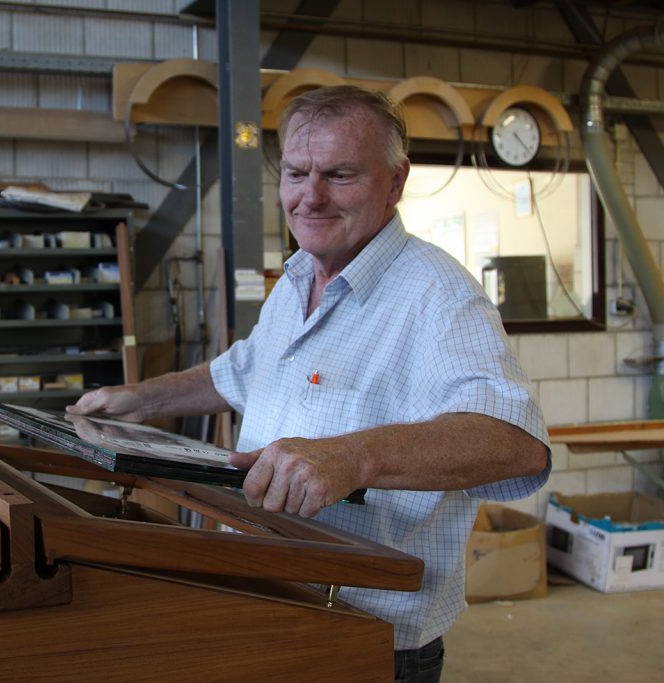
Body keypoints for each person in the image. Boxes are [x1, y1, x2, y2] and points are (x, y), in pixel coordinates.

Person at [67, 84, 550, 683]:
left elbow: (512, 443)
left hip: (363, 636)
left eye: (340, 175)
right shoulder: (297, 277)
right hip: (269, 603)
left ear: (395, 182)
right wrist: (143, 398)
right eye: (297, 173)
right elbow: (243, 371)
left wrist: (354, 456)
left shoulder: (439, 298)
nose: (310, 197)